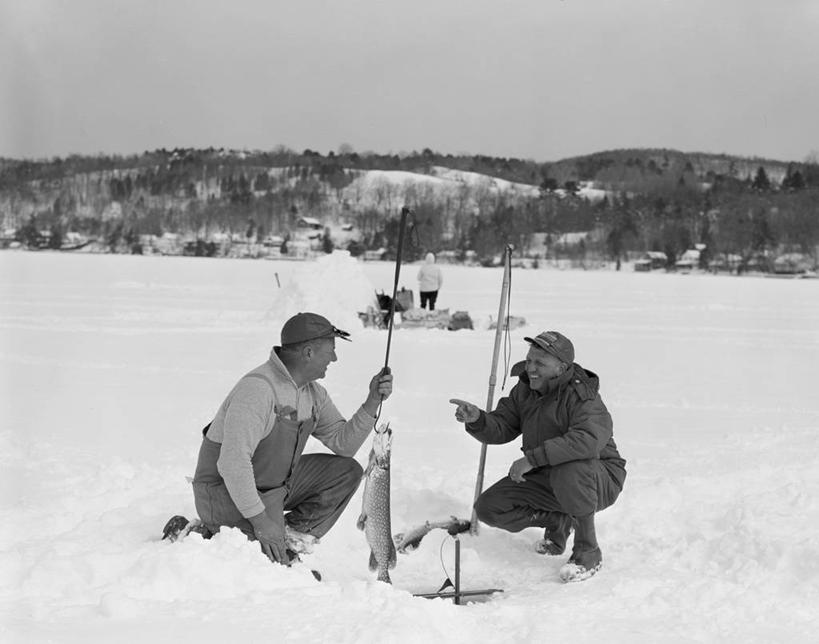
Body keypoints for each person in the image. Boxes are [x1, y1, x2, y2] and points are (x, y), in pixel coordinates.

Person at [191, 312, 393, 565]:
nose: (334, 358)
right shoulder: (258, 390)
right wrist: (262, 521)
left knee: (345, 471)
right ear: (308, 352)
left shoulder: (313, 394)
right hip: (224, 494)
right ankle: (209, 533)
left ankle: (287, 540)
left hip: (271, 489)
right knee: (255, 562)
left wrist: (373, 400)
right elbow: (232, 464)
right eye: (330, 350)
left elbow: (344, 445)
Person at [449, 331, 626, 582]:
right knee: (489, 508)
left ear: (561, 368)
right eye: (530, 360)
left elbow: (586, 441)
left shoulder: (583, 397)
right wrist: (478, 420)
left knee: (569, 466)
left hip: (599, 479)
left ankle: (588, 550)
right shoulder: (526, 389)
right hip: (550, 475)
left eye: (539, 363)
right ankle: (559, 520)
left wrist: (532, 459)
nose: (531, 368)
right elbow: (504, 425)